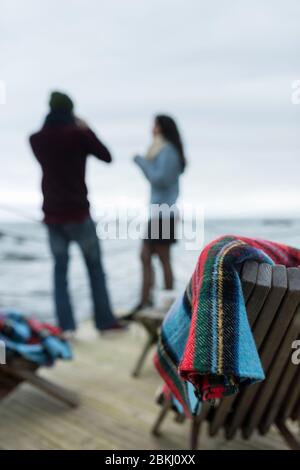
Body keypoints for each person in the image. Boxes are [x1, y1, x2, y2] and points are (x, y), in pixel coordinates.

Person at [29, 91, 124, 334]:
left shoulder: (37, 139)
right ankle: (105, 322)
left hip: (51, 215)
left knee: (60, 273)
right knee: (94, 269)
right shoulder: (77, 135)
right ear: (70, 111)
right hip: (79, 213)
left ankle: (66, 328)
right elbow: (107, 156)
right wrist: (87, 129)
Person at [127, 114, 186, 317]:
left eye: (154, 125)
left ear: (162, 128)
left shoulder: (168, 150)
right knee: (148, 256)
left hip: (164, 213)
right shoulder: (162, 150)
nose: (151, 128)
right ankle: (146, 302)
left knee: (161, 258)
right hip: (158, 213)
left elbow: (158, 179)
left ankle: (165, 304)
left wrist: (141, 162)